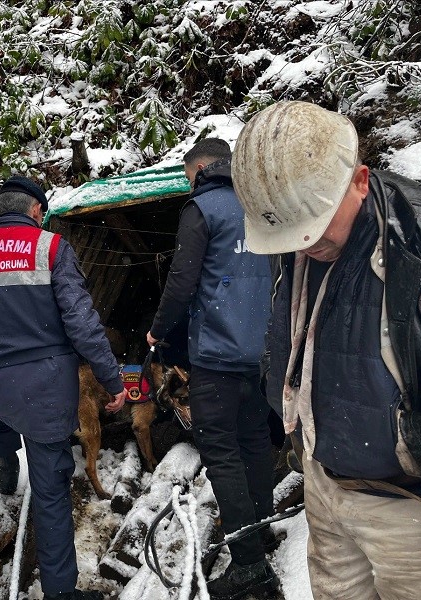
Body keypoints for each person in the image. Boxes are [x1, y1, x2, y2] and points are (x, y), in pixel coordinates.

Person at [232, 100, 421, 599]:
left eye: (314, 229)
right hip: (324, 487)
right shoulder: (303, 237)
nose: (304, 246)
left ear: (360, 180)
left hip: (407, 510)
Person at [0, 176, 127, 600]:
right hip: (44, 387)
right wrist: (110, 379)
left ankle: (5, 463)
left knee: (0, 410)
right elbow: (82, 324)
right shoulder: (50, 248)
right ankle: (61, 592)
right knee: (50, 490)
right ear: (35, 211)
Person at [146, 138, 279, 599]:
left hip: (216, 356)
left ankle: (249, 566)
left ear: (200, 168)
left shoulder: (202, 208)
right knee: (255, 444)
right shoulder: (258, 207)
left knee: (221, 453)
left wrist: (159, 330)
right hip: (256, 356)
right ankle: (261, 533)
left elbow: (182, 281)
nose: (189, 184)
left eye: (188, 176)